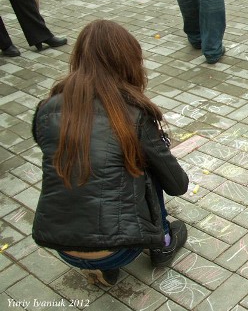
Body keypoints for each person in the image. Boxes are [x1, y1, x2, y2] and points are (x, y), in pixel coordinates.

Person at [32, 20, 190, 287]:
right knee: (150, 172)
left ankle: (105, 270)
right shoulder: (134, 115)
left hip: (61, 245)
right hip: (120, 248)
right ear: (128, 61)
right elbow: (178, 185)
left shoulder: (47, 108)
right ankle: (162, 245)